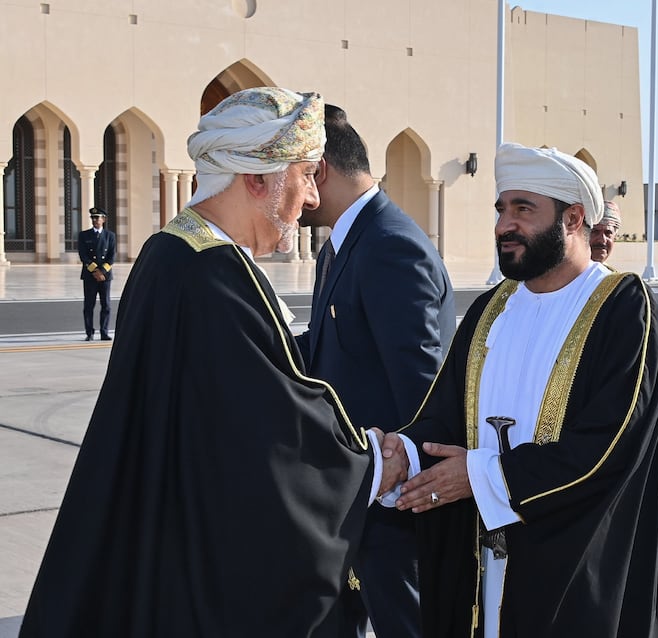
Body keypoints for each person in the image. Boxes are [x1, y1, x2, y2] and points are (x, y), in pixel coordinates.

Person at [19, 87, 405, 638]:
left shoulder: (169, 251)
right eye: (303, 176)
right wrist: (370, 464)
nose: (312, 198)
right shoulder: (218, 276)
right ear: (257, 180)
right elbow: (274, 442)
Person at [381, 144, 658, 637]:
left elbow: (607, 449)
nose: (504, 225)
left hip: (572, 576)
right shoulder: (490, 309)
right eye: (501, 210)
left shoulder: (627, 311)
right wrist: (403, 454)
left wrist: (484, 477)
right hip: (481, 571)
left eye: (523, 210)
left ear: (573, 218)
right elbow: (444, 415)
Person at [296, 104, 456, 638]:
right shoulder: (342, 246)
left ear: (319, 172)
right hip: (355, 496)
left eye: (294, 173)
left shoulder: (390, 245)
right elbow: (328, 348)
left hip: (392, 508)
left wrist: (400, 478)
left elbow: (422, 389)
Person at [78, 206, 116, 341]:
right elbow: (83, 256)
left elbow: (112, 256)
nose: (95, 220)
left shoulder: (110, 236)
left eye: (97, 218)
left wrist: (103, 271)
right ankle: (89, 332)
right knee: (89, 305)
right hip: (90, 275)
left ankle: (104, 332)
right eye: (93, 218)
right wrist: (95, 271)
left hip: (105, 276)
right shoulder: (84, 235)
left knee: (106, 305)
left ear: (103, 219)